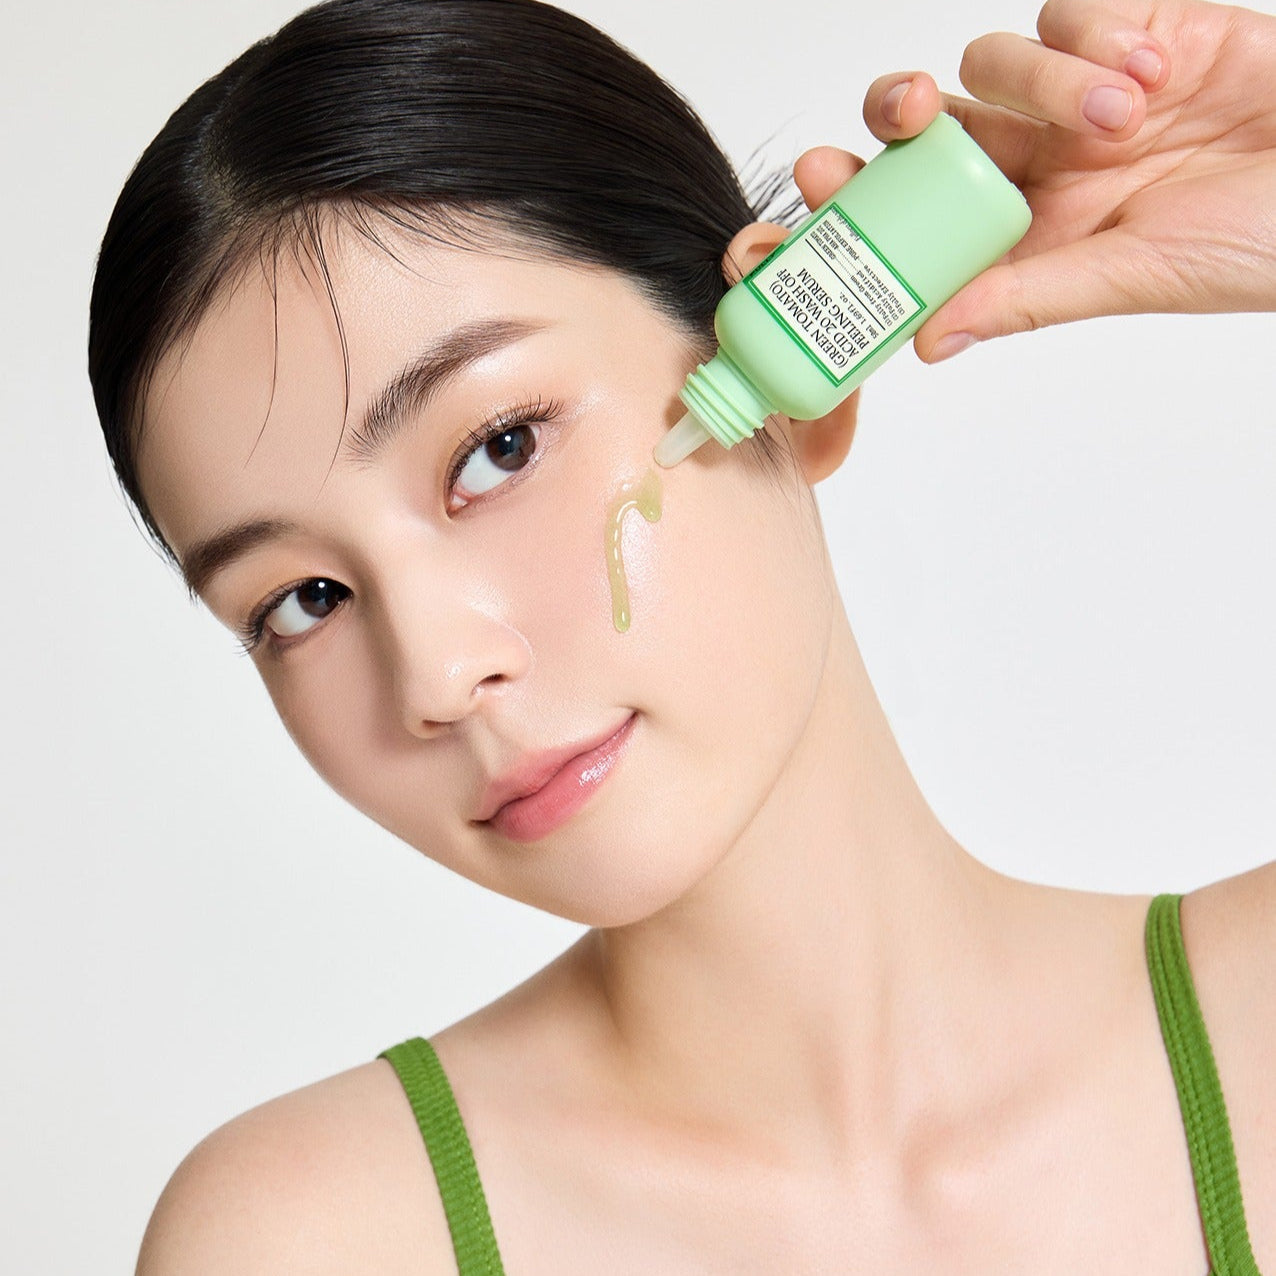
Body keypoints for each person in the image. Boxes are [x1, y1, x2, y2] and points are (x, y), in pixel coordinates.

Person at [87, 0, 1275, 1270]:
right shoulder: (314, 1239)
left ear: (795, 377)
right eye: (301, 601)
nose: (437, 676)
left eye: (497, 450)